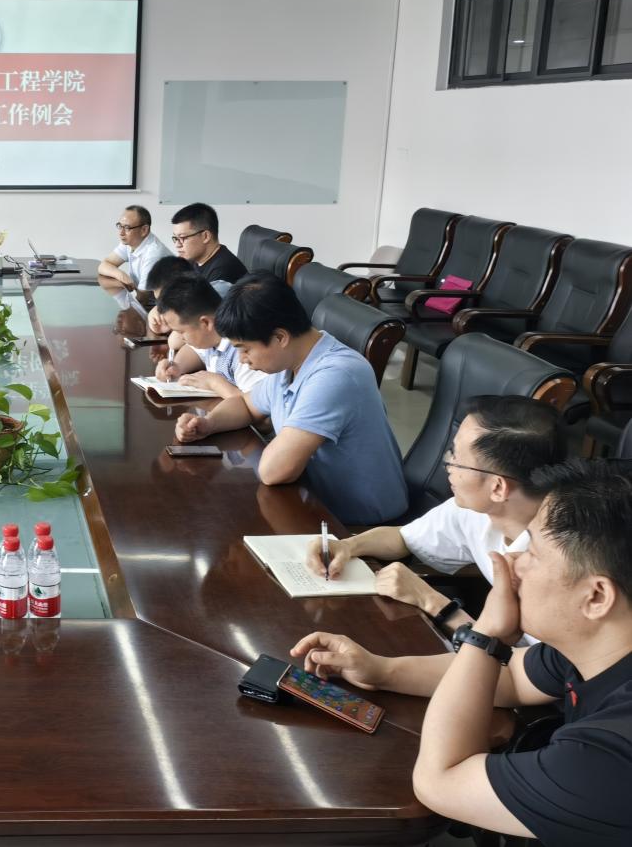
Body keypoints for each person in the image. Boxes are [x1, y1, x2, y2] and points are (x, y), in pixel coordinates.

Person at [291, 459, 632, 845]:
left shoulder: (611, 758)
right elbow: (512, 676)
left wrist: (487, 632)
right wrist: (380, 670)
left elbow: (440, 782)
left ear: (597, 597)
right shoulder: (593, 647)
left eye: (532, 553)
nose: (511, 562)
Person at [307, 396, 565, 636]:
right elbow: (405, 538)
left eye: (457, 460)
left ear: (498, 487)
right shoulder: (480, 510)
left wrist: (431, 601)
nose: (448, 466)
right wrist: (348, 545)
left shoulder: (560, 564)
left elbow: (519, 664)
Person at [175, 274, 407, 527]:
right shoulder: (291, 363)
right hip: (313, 501)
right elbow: (245, 405)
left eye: (245, 349)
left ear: (280, 338)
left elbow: (274, 470)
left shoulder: (335, 375)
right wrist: (208, 424)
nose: (242, 359)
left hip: (359, 524)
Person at [153, 276, 266, 398]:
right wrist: (177, 366)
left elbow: (257, 403)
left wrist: (215, 383)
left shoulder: (242, 351)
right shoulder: (208, 337)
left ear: (206, 323)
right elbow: (193, 351)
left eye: (181, 332)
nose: (181, 338)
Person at [97, 204, 172, 295]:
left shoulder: (154, 254)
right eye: (120, 226)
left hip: (166, 301)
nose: (121, 233)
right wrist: (121, 275)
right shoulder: (130, 241)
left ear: (144, 230)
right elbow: (104, 265)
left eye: (127, 228)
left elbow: (143, 297)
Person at [170, 203, 249, 287]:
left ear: (206, 236)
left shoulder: (221, 274)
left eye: (182, 237)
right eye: (176, 238)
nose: (177, 245)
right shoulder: (193, 260)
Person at [142, 255, 198, 351]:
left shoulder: (199, 306)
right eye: (158, 301)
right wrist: (154, 317)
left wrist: (172, 325)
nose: (162, 306)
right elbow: (155, 316)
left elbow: (174, 342)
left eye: (164, 302)